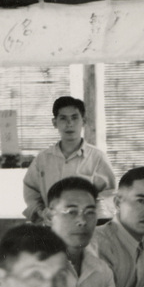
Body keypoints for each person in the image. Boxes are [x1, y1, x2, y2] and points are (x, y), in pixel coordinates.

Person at [22, 95, 116, 223]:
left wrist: (89, 213)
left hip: (86, 228)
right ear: (54, 123)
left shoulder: (97, 158)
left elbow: (109, 194)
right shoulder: (43, 159)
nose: (69, 123)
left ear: (84, 121)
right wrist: (42, 212)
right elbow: (31, 192)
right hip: (52, 228)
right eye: (63, 118)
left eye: (74, 117)